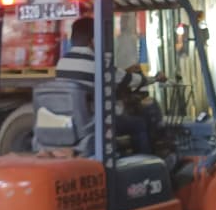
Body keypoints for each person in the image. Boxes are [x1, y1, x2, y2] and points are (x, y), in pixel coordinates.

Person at [54, 18, 166, 154]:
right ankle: (147, 162)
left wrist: (125, 71)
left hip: (73, 122)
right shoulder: (99, 64)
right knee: (139, 124)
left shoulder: (62, 63)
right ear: (93, 40)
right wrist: (155, 78)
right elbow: (132, 81)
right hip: (95, 124)